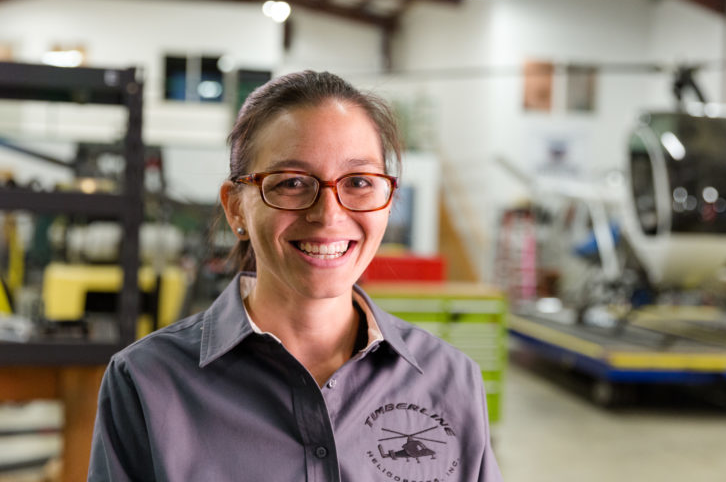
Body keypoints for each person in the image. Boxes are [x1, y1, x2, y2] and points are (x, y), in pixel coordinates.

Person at [88, 70, 503, 481]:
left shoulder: (450, 380)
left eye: (359, 181)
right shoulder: (147, 382)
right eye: (291, 183)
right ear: (236, 208)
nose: (328, 215)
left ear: (388, 199)